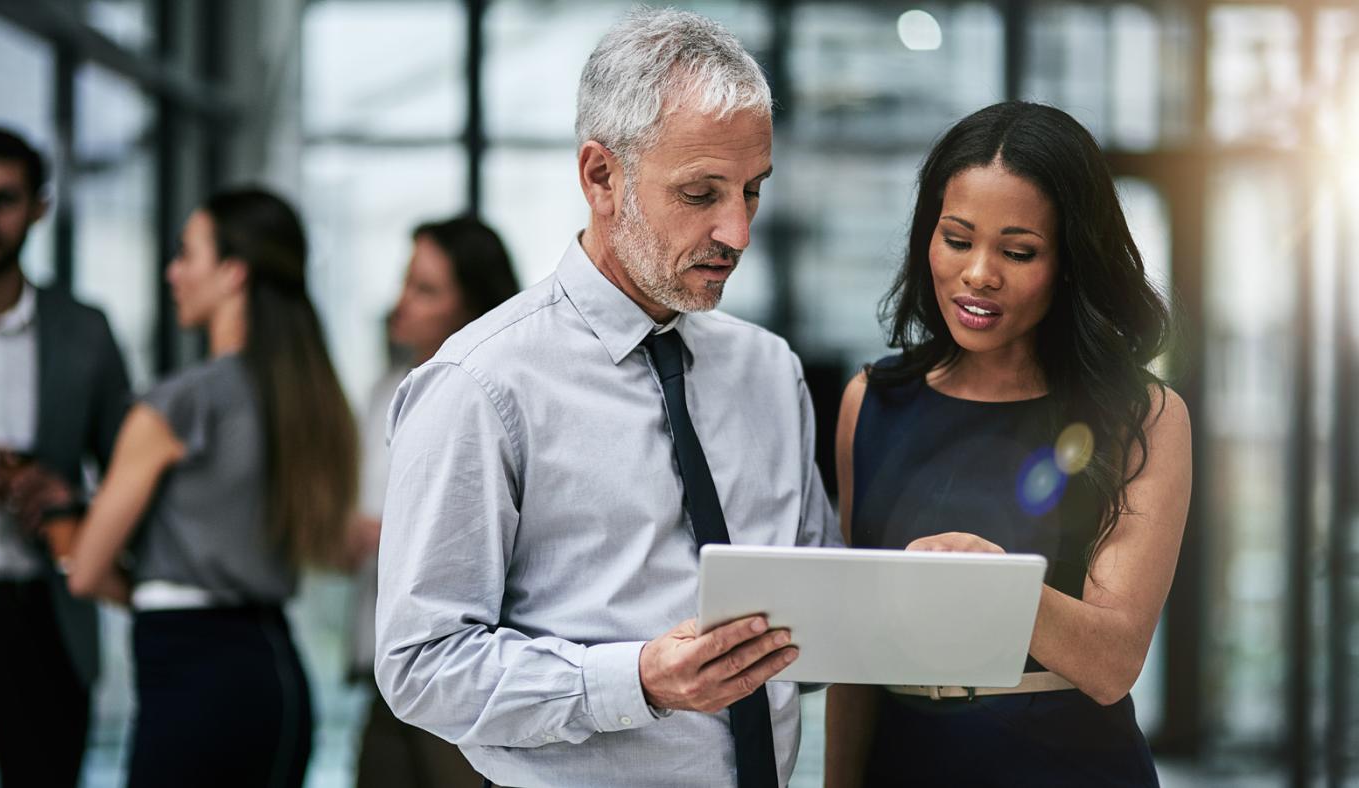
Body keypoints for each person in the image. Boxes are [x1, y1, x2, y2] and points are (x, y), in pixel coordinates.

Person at [374, 9, 839, 788]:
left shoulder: (770, 372)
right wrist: (639, 681)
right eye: (701, 193)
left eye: (752, 191)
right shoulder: (481, 386)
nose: (738, 232)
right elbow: (420, 665)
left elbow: (812, 626)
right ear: (601, 177)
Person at [823, 101, 1191, 786]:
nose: (979, 273)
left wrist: (996, 587)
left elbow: (1112, 664)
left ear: (1070, 261)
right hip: (905, 764)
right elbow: (856, 659)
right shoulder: (870, 398)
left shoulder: (1141, 415)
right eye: (957, 239)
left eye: (1018, 251)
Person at [57, 187, 358, 787]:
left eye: (186, 254)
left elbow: (88, 570)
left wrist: (56, 518)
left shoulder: (177, 405)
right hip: (277, 680)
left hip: (191, 680)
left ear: (232, 273)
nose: (173, 273)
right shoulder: (307, 400)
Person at [0, 126, 130, 787]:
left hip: (46, 613)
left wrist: (65, 497)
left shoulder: (84, 329)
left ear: (38, 207)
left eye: (2, 200)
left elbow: (126, 467)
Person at [351, 217, 518, 788]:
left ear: (470, 304)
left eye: (426, 290)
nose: (402, 305)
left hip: (469, 670)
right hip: (388, 662)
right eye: (406, 283)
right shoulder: (387, 389)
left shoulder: (500, 399)